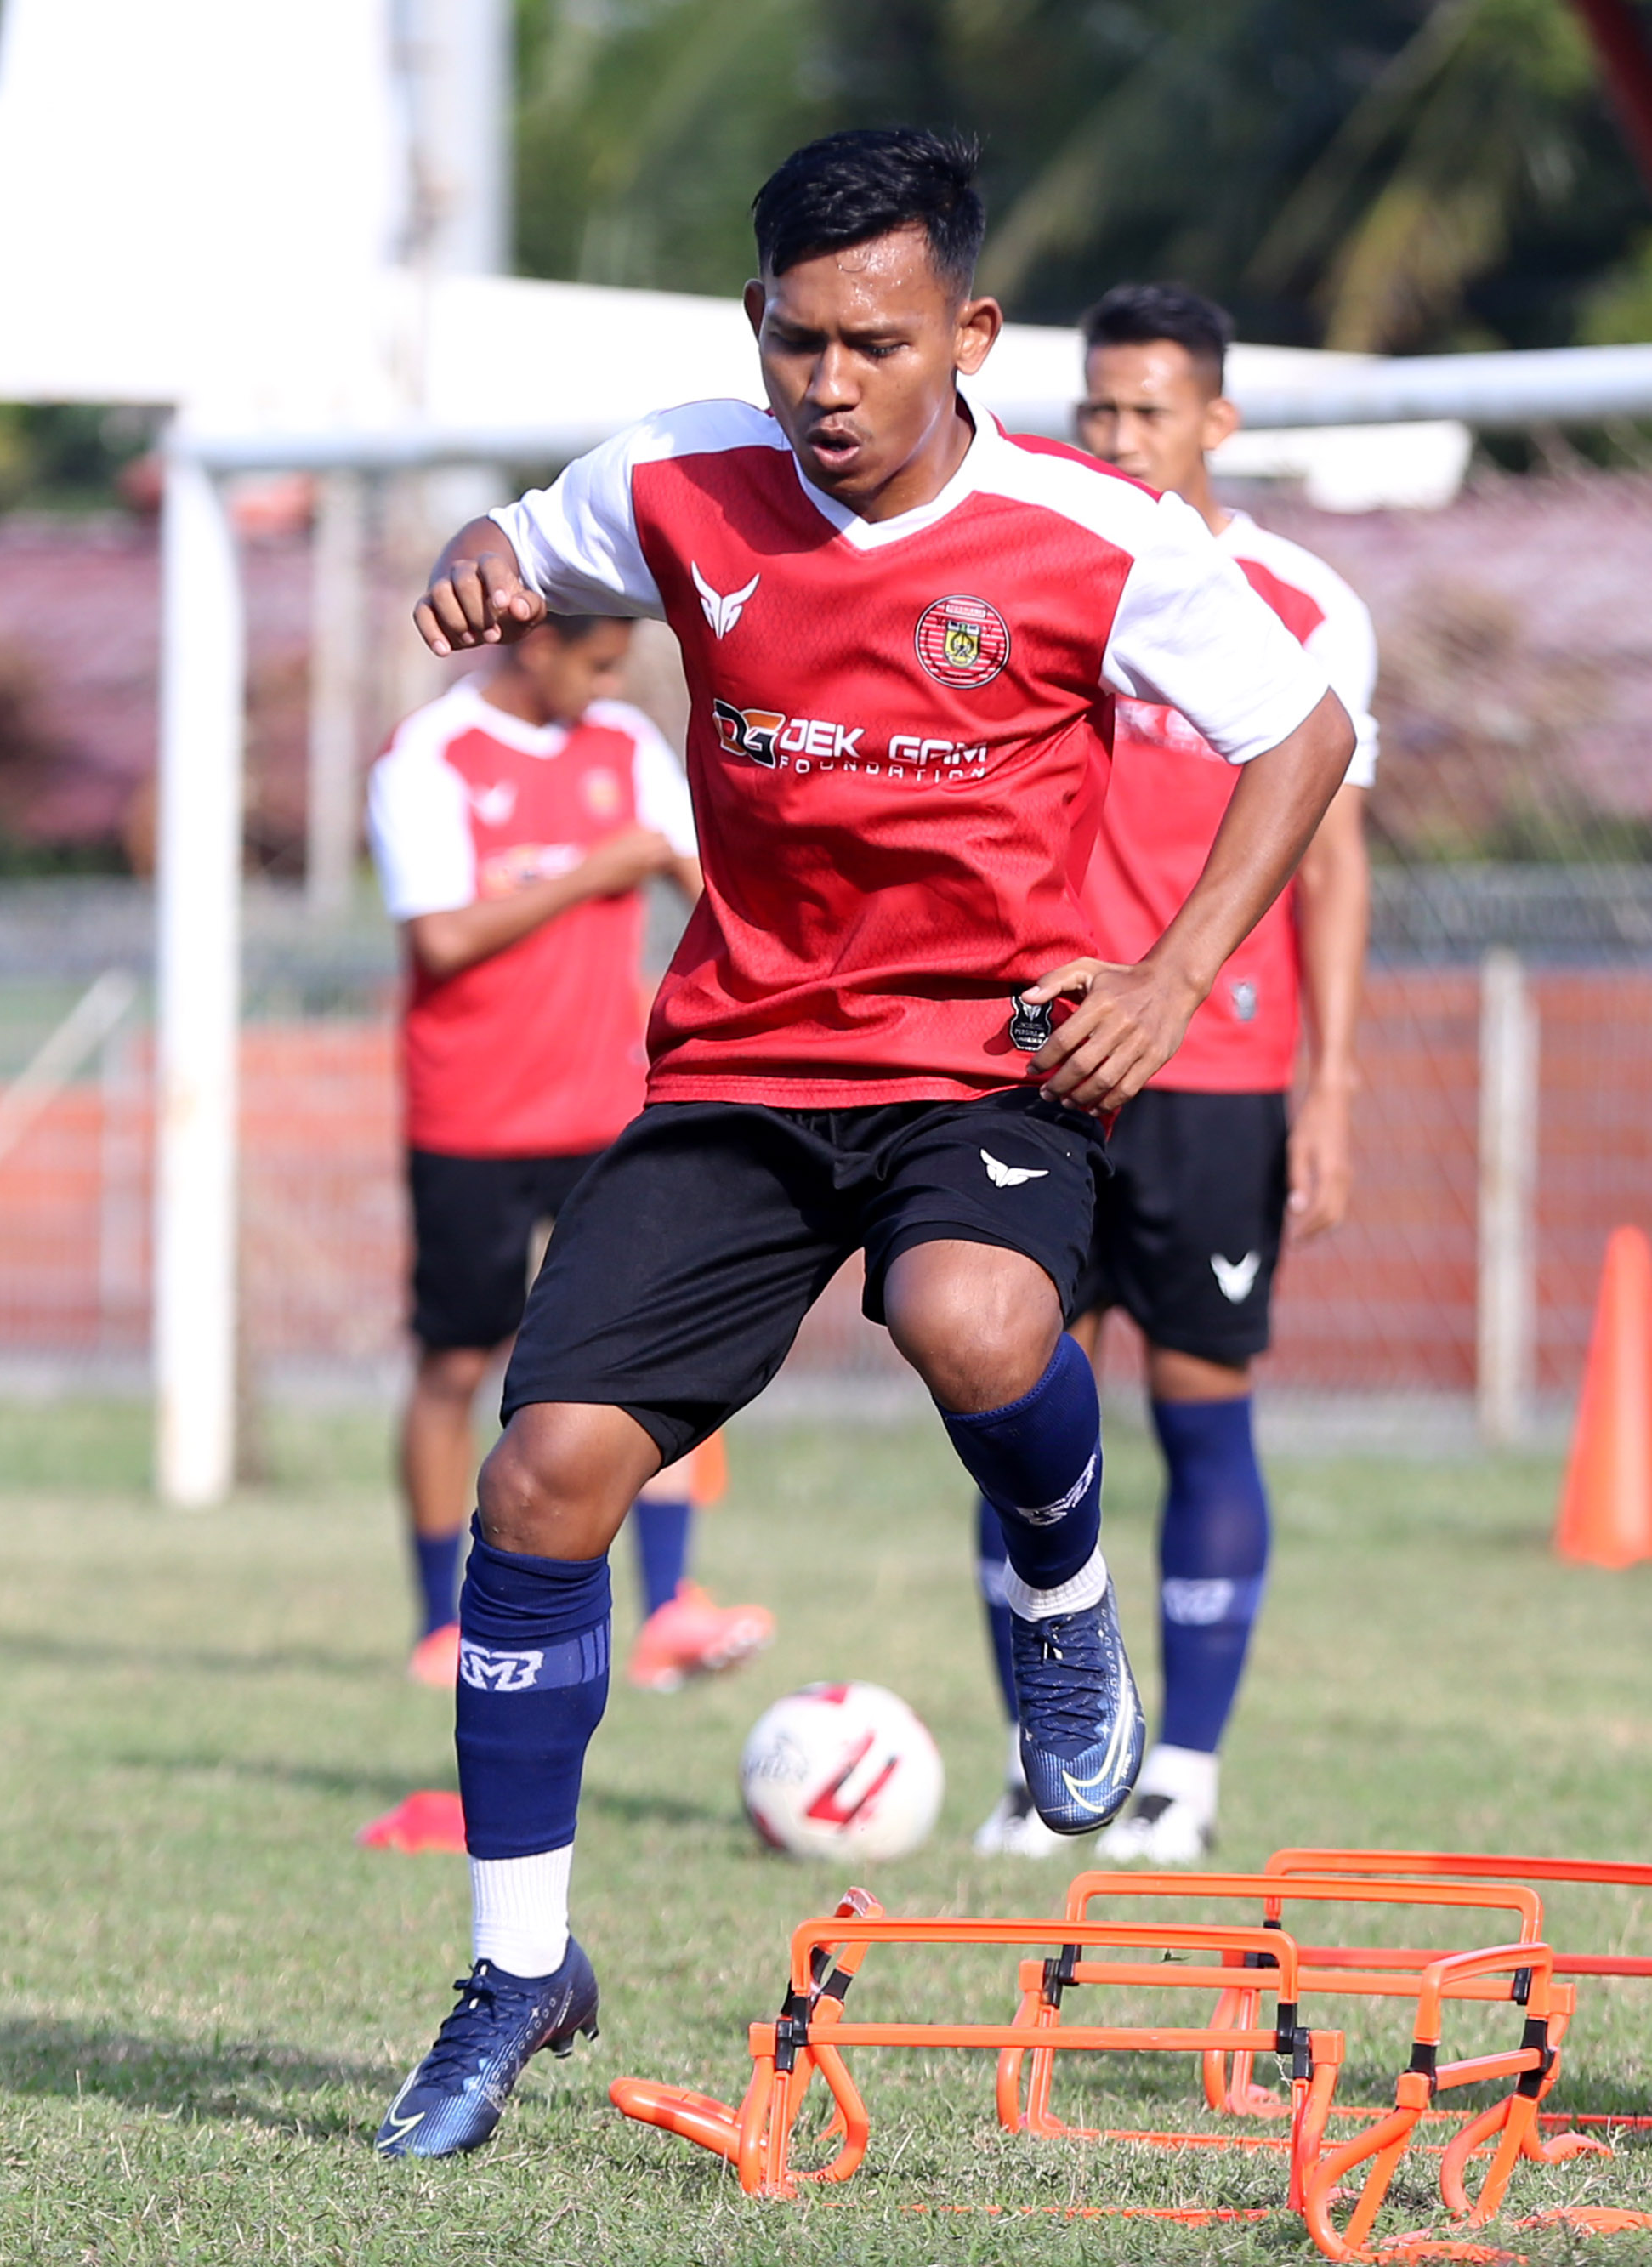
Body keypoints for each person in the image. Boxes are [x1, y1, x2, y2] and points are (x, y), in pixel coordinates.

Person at [371, 128, 1354, 2160]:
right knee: (542, 1477)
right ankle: (516, 1967)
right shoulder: (668, 478)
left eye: (877, 343)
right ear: (759, 327)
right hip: (737, 1061)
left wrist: (1170, 979)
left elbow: (1303, 732)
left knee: (980, 1318)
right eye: (800, 339)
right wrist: (479, 558)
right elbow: (520, 551)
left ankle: (1062, 1609)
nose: (832, 382)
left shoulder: (1098, 528)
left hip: (980, 1059)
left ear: (970, 334)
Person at [967, 283, 1380, 1866]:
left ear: (1219, 420)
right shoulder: (1038, 552)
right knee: (1013, 1403)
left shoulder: (1301, 598)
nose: (1119, 434)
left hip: (1215, 1065)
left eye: (1150, 410)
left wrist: (1328, 1088)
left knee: (1202, 1413)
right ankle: (1046, 1753)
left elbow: (1333, 862)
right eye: (1101, 407)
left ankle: (1184, 1766)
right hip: (1038, 1055)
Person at [365, 620, 775, 1696]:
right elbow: (441, 936)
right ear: (533, 643)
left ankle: (672, 1608)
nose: (608, 684)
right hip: (472, 1116)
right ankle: (435, 1619)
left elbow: (709, 889)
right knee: (457, 1364)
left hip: (610, 1110)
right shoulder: (429, 756)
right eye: (595, 662)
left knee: (656, 1349)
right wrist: (599, 869)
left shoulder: (628, 747)